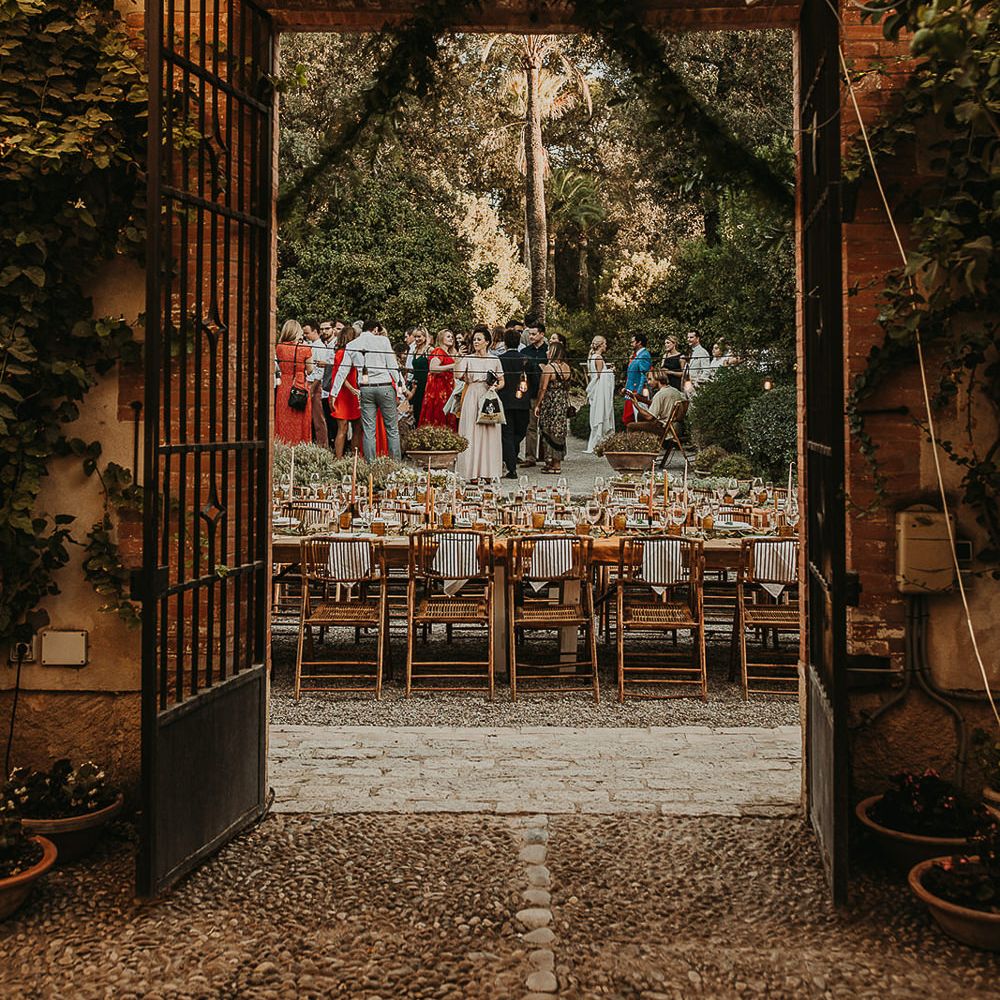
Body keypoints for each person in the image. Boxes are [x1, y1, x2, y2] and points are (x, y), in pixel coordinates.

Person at [330, 320, 405, 461]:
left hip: (365, 389)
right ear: (375, 329)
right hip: (385, 386)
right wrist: (402, 389)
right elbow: (392, 366)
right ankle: (396, 464)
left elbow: (342, 371)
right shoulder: (383, 341)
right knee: (392, 429)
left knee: (369, 431)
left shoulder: (352, 345)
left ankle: (371, 465)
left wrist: (334, 393)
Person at [455, 329, 505, 481]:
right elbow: (457, 375)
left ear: (487, 342)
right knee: (471, 432)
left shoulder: (495, 360)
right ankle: (472, 473)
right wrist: (459, 357)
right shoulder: (468, 358)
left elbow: (502, 381)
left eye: (479, 339)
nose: (476, 342)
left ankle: (489, 473)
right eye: (474, 339)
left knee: (490, 433)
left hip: (489, 395)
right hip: (472, 394)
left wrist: (495, 387)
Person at [626, 368, 685, 470]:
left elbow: (650, 417)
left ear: (658, 379)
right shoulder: (674, 391)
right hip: (675, 426)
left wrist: (636, 405)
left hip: (664, 428)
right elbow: (653, 403)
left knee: (630, 426)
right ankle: (646, 450)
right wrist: (639, 398)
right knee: (640, 416)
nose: (648, 382)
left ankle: (635, 456)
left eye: (650, 379)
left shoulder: (660, 394)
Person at [534, 340, 572, 474]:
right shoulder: (567, 367)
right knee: (559, 431)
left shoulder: (549, 368)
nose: (547, 352)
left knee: (547, 430)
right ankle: (557, 463)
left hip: (550, 403)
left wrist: (537, 405)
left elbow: (542, 388)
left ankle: (550, 463)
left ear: (554, 352)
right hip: (561, 403)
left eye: (549, 350)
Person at [274, 319, 314, 444]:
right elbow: (310, 370)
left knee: (283, 416)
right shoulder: (305, 348)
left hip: (283, 384)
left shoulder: (279, 347)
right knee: (301, 418)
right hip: (299, 383)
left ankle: (283, 443)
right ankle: (299, 444)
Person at [498, 328, 530, 478]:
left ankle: (510, 459)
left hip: (505, 400)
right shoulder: (526, 359)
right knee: (520, 432)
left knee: (508, 434)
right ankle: (512, 465)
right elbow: (534, 380)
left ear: (505, 343)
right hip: (522, 401)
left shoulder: (500, 359)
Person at [328, 325, 361, 457]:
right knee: (348, 427)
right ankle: (346, 457)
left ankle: (346, 457)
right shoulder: (343, 353)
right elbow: (341, 374)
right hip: (344, 392)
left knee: (348, 427)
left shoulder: (341, 352)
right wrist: (352, 388)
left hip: (345, 393)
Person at [518, 323, 549, 467]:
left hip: (546, 393)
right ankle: (530, 457)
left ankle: (547, 456)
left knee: (546, 426)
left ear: (542, 334)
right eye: (529, 334)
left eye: (534, 334)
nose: (530, 336)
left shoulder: (548, 351)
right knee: (531, 426)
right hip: (530, 393)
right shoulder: (525, 351)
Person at [420, 329, 458, 429]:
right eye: (448, 336)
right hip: (438, 389)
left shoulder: (447, 352)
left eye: (452, 337)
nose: (451, 339)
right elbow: (433, 368)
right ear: (441, 338)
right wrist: (452, 366)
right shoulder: (438, 351)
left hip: (447, 387)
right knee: (439, 414)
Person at [303, 320, 332, 449]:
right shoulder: (312, 345)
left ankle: (323, 445)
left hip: (315, 384)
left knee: (318, 417)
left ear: (315, 331)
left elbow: (320, 371)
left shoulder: (319, 347)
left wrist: (312, 387)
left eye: (307, 333)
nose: (305, 336)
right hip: (310, 382)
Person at [585, 335, 615, 453]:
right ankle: (600, 441)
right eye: (605, 344)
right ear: (601, 345)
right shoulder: (598, 358)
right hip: (599, 389)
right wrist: (611, 371)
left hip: (596, 388)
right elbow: (600, 375)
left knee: (597, 412)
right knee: (601, 412)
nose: (606, 346)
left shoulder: (592, 357)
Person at [621, 332, 652, 425]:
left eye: (633, 342)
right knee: (629, 418)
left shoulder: (644, 355)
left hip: (637, 391)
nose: (631, 344)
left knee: (638, 417)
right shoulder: (636, 355)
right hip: (630, 390)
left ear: (639, 342)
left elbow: (644, 375)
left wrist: (638, 393)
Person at [407, 328, 430, 427]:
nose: (417, 339)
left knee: (423, 407)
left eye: (419, 336)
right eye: (415, 336)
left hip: (425, 382)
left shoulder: (429, 350)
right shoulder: (414, 350)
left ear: (425, 337)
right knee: (415, 408)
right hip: (415, 383)